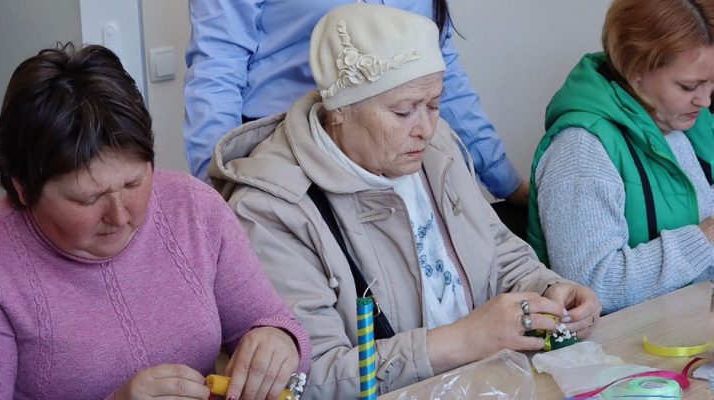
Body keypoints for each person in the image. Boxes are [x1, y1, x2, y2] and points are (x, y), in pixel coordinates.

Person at [209, 4, 601, 398]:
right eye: (402, 111)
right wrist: (465, 339)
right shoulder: (271, 208)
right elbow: (311, 379)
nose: (426, 129)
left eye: (434, 104)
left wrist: (549, 290)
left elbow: (495, 252)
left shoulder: (437, 148)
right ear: (339, 111)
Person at [0, 44, 311, 400]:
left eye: (133, 183)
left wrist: (279, 341)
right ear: (23, 189)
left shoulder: (193, 209)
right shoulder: (1, 267)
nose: (119, 215)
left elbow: (274, 323)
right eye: (88, 198)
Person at [183, 0, 528, 208]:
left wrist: (506, 181)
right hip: (293, 165)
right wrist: (216, 196)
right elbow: (217, 66)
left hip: (399, 166)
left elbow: (440, 64)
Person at [527, 0, 714, 314]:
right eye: (689, 86)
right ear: (636, 70)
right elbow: (589, 287)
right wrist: (705, 239)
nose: (705, 100)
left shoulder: (683, 123)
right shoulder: (580, 148)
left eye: (712, 83)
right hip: (624, 341)